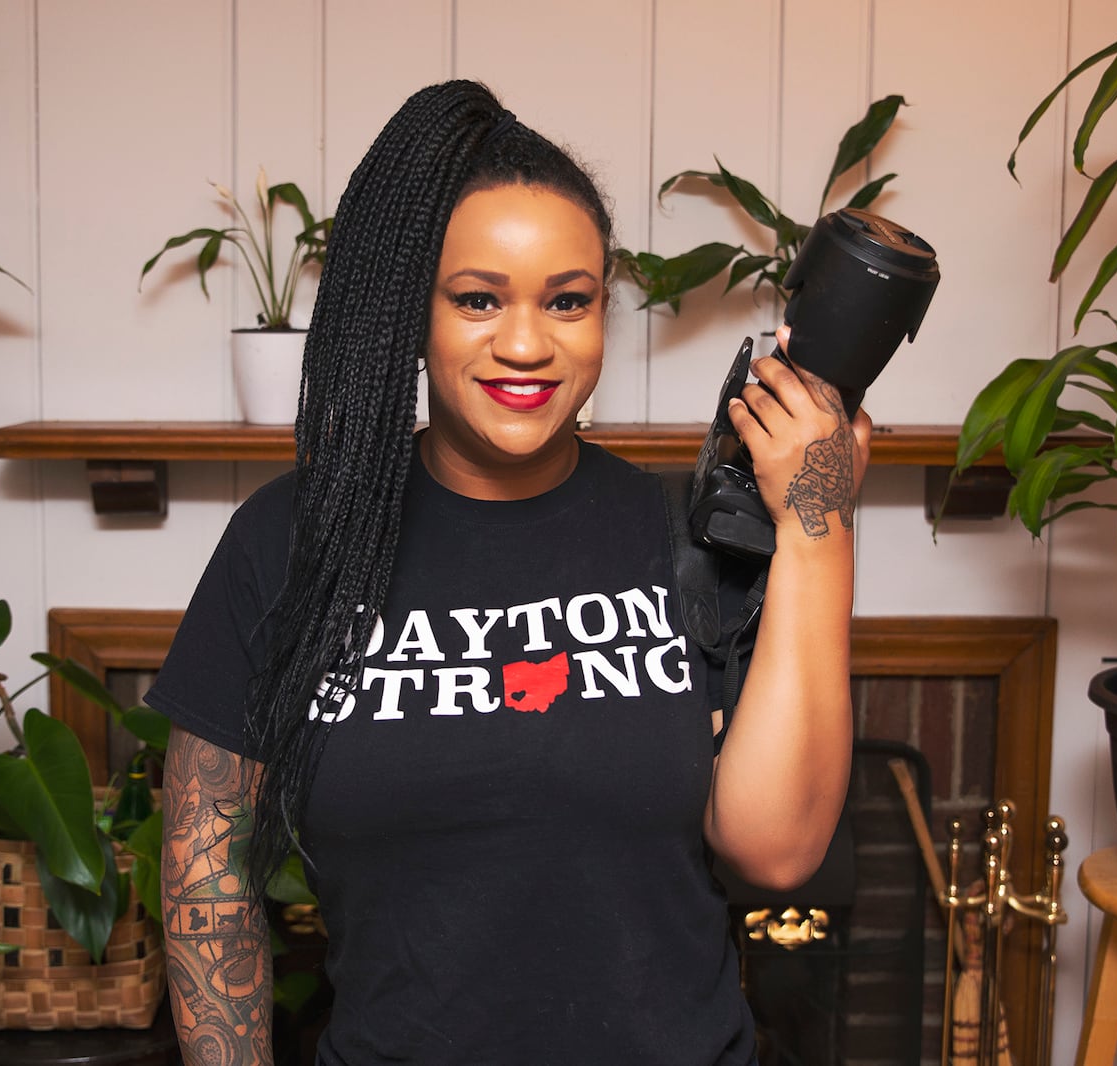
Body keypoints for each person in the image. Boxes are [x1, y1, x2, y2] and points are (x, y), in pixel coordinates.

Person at [148, 79, 871, 1066]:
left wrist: (818, 519)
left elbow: (775, 850)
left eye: (568, 301)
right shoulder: (288, 540)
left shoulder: (680, 536)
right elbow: (206, 884)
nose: (526, 345)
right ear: (415, 311)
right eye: (477, 299)